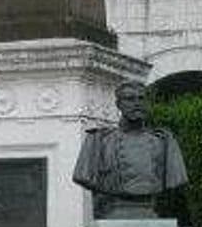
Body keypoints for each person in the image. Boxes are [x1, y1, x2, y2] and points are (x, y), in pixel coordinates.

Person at [73, 80, 187, 219]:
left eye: (141, 99)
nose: (137, 104)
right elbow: (82, 175)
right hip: (115, 210)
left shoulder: (164, 142)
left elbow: (176, 179)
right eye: (130, 99)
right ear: (118, 105)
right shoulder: (98, 141)